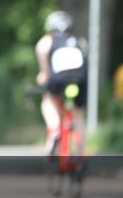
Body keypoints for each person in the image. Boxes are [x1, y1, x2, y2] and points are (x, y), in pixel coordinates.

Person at [34, 11, 88, 156]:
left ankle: (54, 130)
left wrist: (43, 75)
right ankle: (81, 150)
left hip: (57, 80)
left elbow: (44, 71)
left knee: (47, 101)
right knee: (78, 113)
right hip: (79, 80)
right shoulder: (80, 41)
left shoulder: (47, 41)